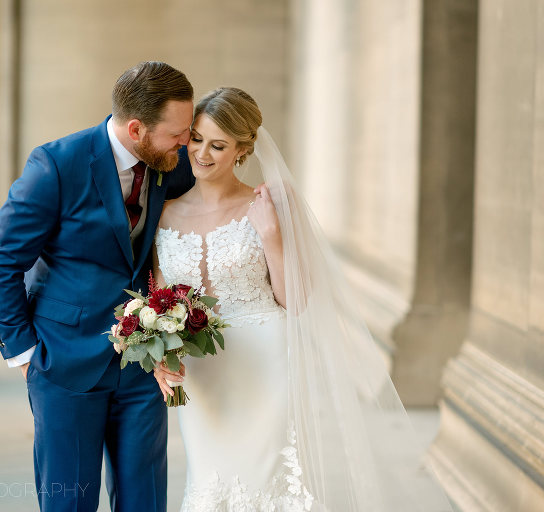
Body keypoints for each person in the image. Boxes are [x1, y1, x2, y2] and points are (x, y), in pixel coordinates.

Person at [153, 88, 455, 511]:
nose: (201, 153)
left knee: (267, 480)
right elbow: (162, 301)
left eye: (218, 145)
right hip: (203, 373)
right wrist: (160, 353)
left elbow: (295, 301)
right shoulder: (164, 213)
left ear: (242, 149)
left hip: (267, 363)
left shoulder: (267, 206)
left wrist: (272, 235)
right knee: (209, 479)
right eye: (196, 139)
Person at [0, 61, 195, 512]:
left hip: (142, 361)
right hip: (64, 360)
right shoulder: (55, 165)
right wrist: (24, 353)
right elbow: (2, 260)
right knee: (70, 502)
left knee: (145, 498)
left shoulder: (169, 161)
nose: (187, 143)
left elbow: (210, 184)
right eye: (178, 132)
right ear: (137, 129)